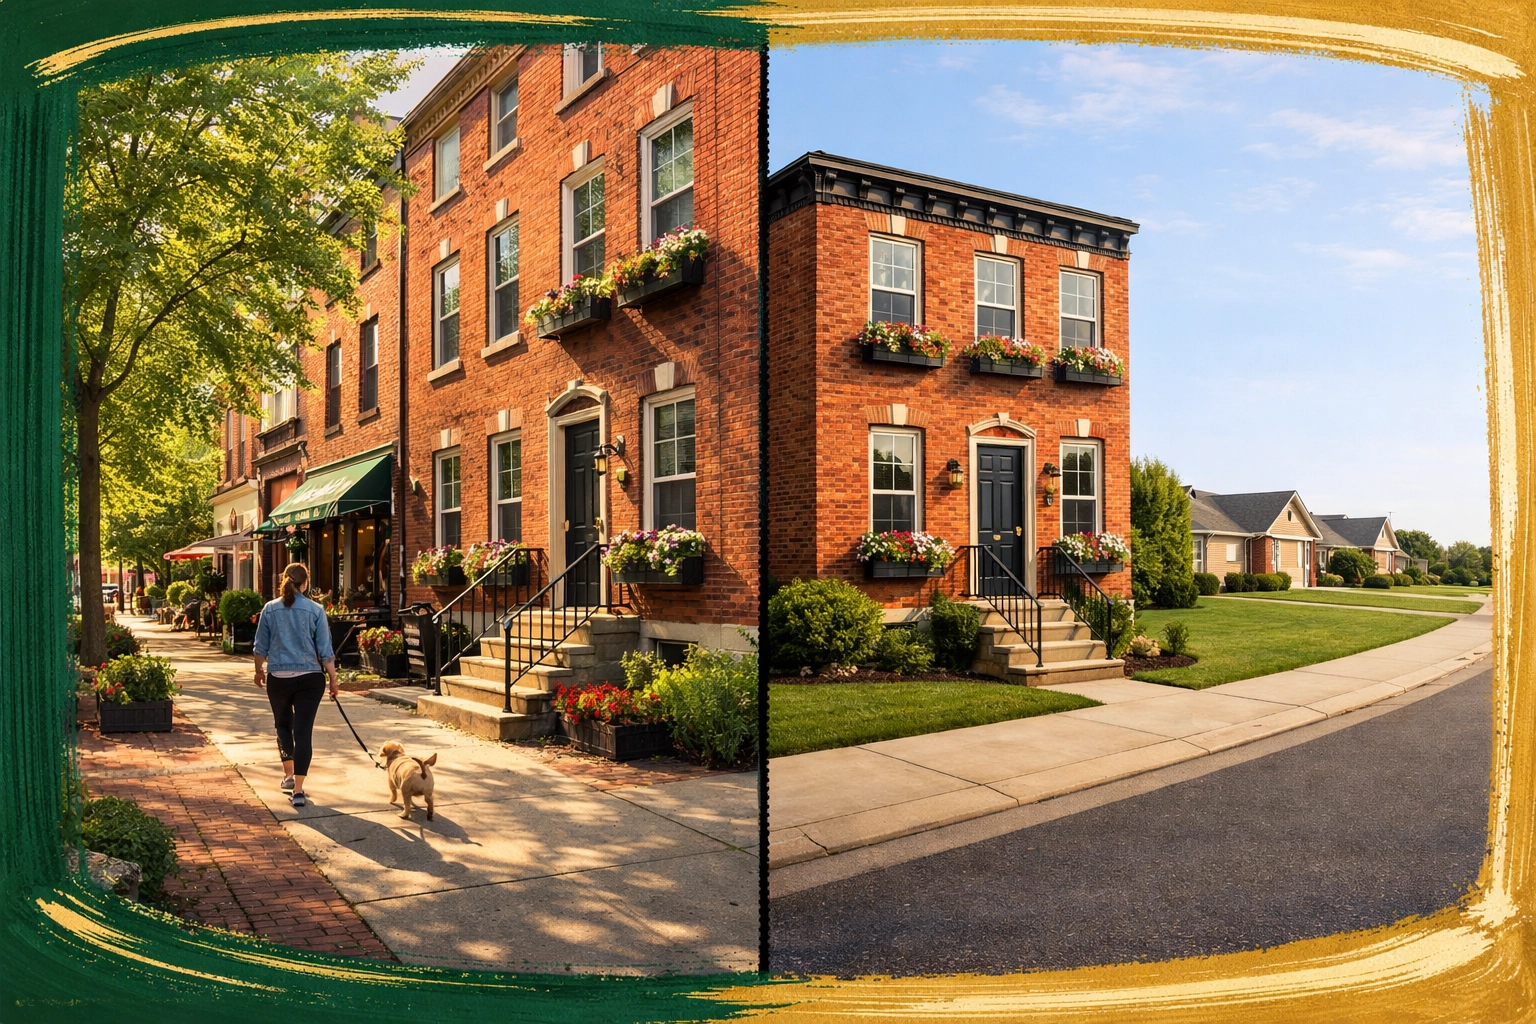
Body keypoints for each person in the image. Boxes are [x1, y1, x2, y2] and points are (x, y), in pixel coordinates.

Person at [252, 563, 339, 808]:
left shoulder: (270, 609)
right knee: (303, 733)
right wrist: (333, 679)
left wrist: (259, 671)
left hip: (279, 678)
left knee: (282, 725)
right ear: (305, 583)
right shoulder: (316, 610)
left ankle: (289, 776)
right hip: (310, 679)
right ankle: (298, 790)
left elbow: (261, 646)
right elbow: (325, 650)